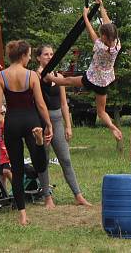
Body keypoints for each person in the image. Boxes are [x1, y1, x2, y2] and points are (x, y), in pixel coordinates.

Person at [0, 40, 53, 226]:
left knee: (16, 170)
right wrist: (48, 124)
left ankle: (23, 215)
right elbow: (40, 104)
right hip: (31, 120)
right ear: (23, 56)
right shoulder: (32, 75)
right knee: (40, 165)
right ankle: (40, 142)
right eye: (29, 55)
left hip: (12, 122)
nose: (29, 58)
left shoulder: (1, 76)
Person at [51, 0, 123, 142]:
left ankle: (47, 77)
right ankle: (112, 127)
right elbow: (108, 24)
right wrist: (101, 7)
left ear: (104, 36)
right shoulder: (116, 45)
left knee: (67, 80)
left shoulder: (101, 47)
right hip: (104, 82)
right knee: (101, 112)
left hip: (92, 79)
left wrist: (85, 15)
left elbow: (91, 31)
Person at [35, 44, 91, 208]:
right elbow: (37, 103)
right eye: (46, 54)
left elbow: (64, 104)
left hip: (58, 120)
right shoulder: (34, 76)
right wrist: (44, 124)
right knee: (43, 160)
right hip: (42, 122)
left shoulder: (58, 76)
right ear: (38, 57)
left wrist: (68, 125)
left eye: (52, 54)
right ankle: (47, 196)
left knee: (65, 159)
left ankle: (78, 195)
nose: (49, 57)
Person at [0, 106, 13, 192]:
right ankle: (4, 194)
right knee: (0, 175)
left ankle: (17, 189)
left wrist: (8, 150)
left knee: (6, 171)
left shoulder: (6, 124)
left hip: (6, 151)